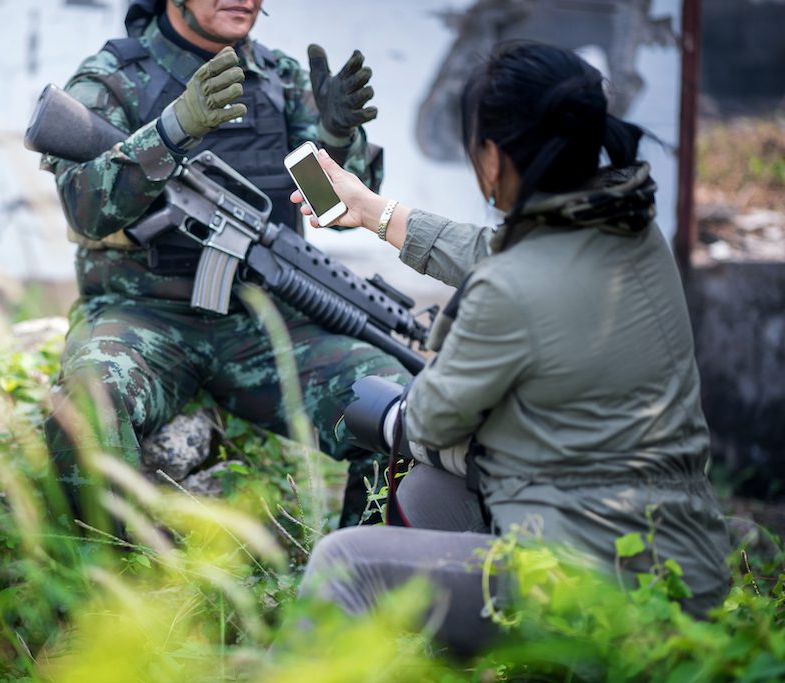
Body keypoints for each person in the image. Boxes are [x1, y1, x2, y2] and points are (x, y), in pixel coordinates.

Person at [293, 40, 731, 654]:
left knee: (349, 562)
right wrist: (372, 210)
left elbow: (430, 420)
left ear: (492, 158)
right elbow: (498, 249)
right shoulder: (634, 233)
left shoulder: (505, 291)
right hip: (690, 570)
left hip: (591, 591)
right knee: (427, 490)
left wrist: (389, 413)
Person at [41, 0, 410, 527]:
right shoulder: (114, 79)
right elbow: (84, 208)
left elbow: (331, 208)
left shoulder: (281, 81)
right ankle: (106, 590)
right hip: (144, 315)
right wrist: (171, 130)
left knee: (399, 415)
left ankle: (355, 590)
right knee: (91, 404)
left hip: (263, 323)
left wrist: (336, 138)